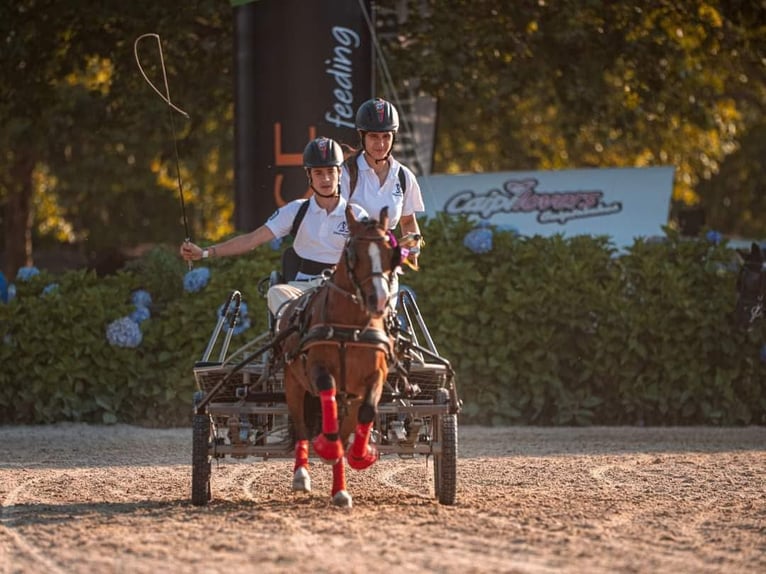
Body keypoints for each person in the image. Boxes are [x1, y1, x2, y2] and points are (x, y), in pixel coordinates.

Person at [180, 136, 368, 320]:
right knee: (276, 292)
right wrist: (204, 253)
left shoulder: (358, 215)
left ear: (340, 173)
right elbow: (251, 239)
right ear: (308, 174)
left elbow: (373, 255)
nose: (326, 178)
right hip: (302, 291)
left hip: (343, 288)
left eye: (330, 171)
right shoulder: (296, 210)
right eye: (318, 172)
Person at [340, 97, 425, 302]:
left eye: (386, 137)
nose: (380, 144)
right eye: (374, 137)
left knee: (392, 327)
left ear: (393, 137)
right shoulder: (345, 173)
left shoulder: (404, 176)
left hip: (384, 270)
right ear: (363, 137)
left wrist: (412, 247)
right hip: (349, 265)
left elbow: (407, 221)